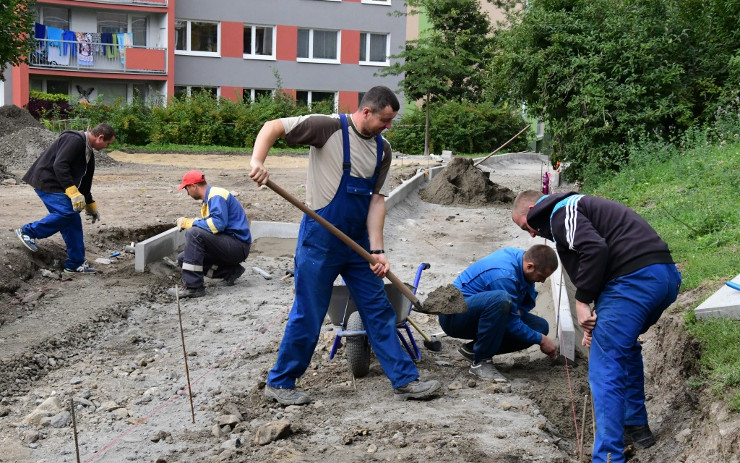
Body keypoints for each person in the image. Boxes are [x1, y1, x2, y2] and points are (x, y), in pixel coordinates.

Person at [249, 85, 440, 405]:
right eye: (385, 119)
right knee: (308, 312)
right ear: (366, 112)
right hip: (319, 241)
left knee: (378, 309)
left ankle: (405, 380)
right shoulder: (326, 127)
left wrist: (377, 250)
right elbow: (273, 127)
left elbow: (377, 202)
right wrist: (257, 161)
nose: (388, 126)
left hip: (358, 245)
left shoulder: (383, 150)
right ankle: (281, 382)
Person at [512, 190, 682, 463]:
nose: (532, 235)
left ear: (533, 208)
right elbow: (605, 258)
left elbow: (595, 249)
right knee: (623, 349)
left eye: (525, 225)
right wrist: (596, 320)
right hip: (663, 279)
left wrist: (582, 301)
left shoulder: (559, 212)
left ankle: (608, 456)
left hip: (634, 282)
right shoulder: (586, 208)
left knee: (605, 369)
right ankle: (636, 427)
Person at [439, 245, 559, 383]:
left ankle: (473, 349)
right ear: (530, 266)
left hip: (481, 313)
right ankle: (480, 362)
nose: (542, 281)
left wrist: (519, 311)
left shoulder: (522, 260)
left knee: (539, 327)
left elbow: (526, 300)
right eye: (541, 276)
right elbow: (511, 322)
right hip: (454, 317)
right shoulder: (504, 275)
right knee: (501, 300)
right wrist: (541, 340)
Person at [16, 123, 116, 273]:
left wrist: (90, 204)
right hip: (47, 181)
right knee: (67, 213)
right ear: (100, 137)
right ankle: (28, 232)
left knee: (73, 220)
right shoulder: (74, 140)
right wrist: (71, 191)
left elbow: (85, 184)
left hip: (59, 185)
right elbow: (60, 165)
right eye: (107, 143)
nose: (107, 147)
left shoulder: (88, 153)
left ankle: (75, 264)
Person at [168, 170, 252, 298]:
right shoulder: (209, 199)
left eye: (187, 189)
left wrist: (190, 223)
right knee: (183, 258)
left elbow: (217, 225)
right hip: (229, 244)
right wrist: (196, 222)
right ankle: (230, 272)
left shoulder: (216, 195)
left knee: (194, 233)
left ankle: (193, 287)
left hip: (237, 245)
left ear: (193, 186)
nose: (187, 193)